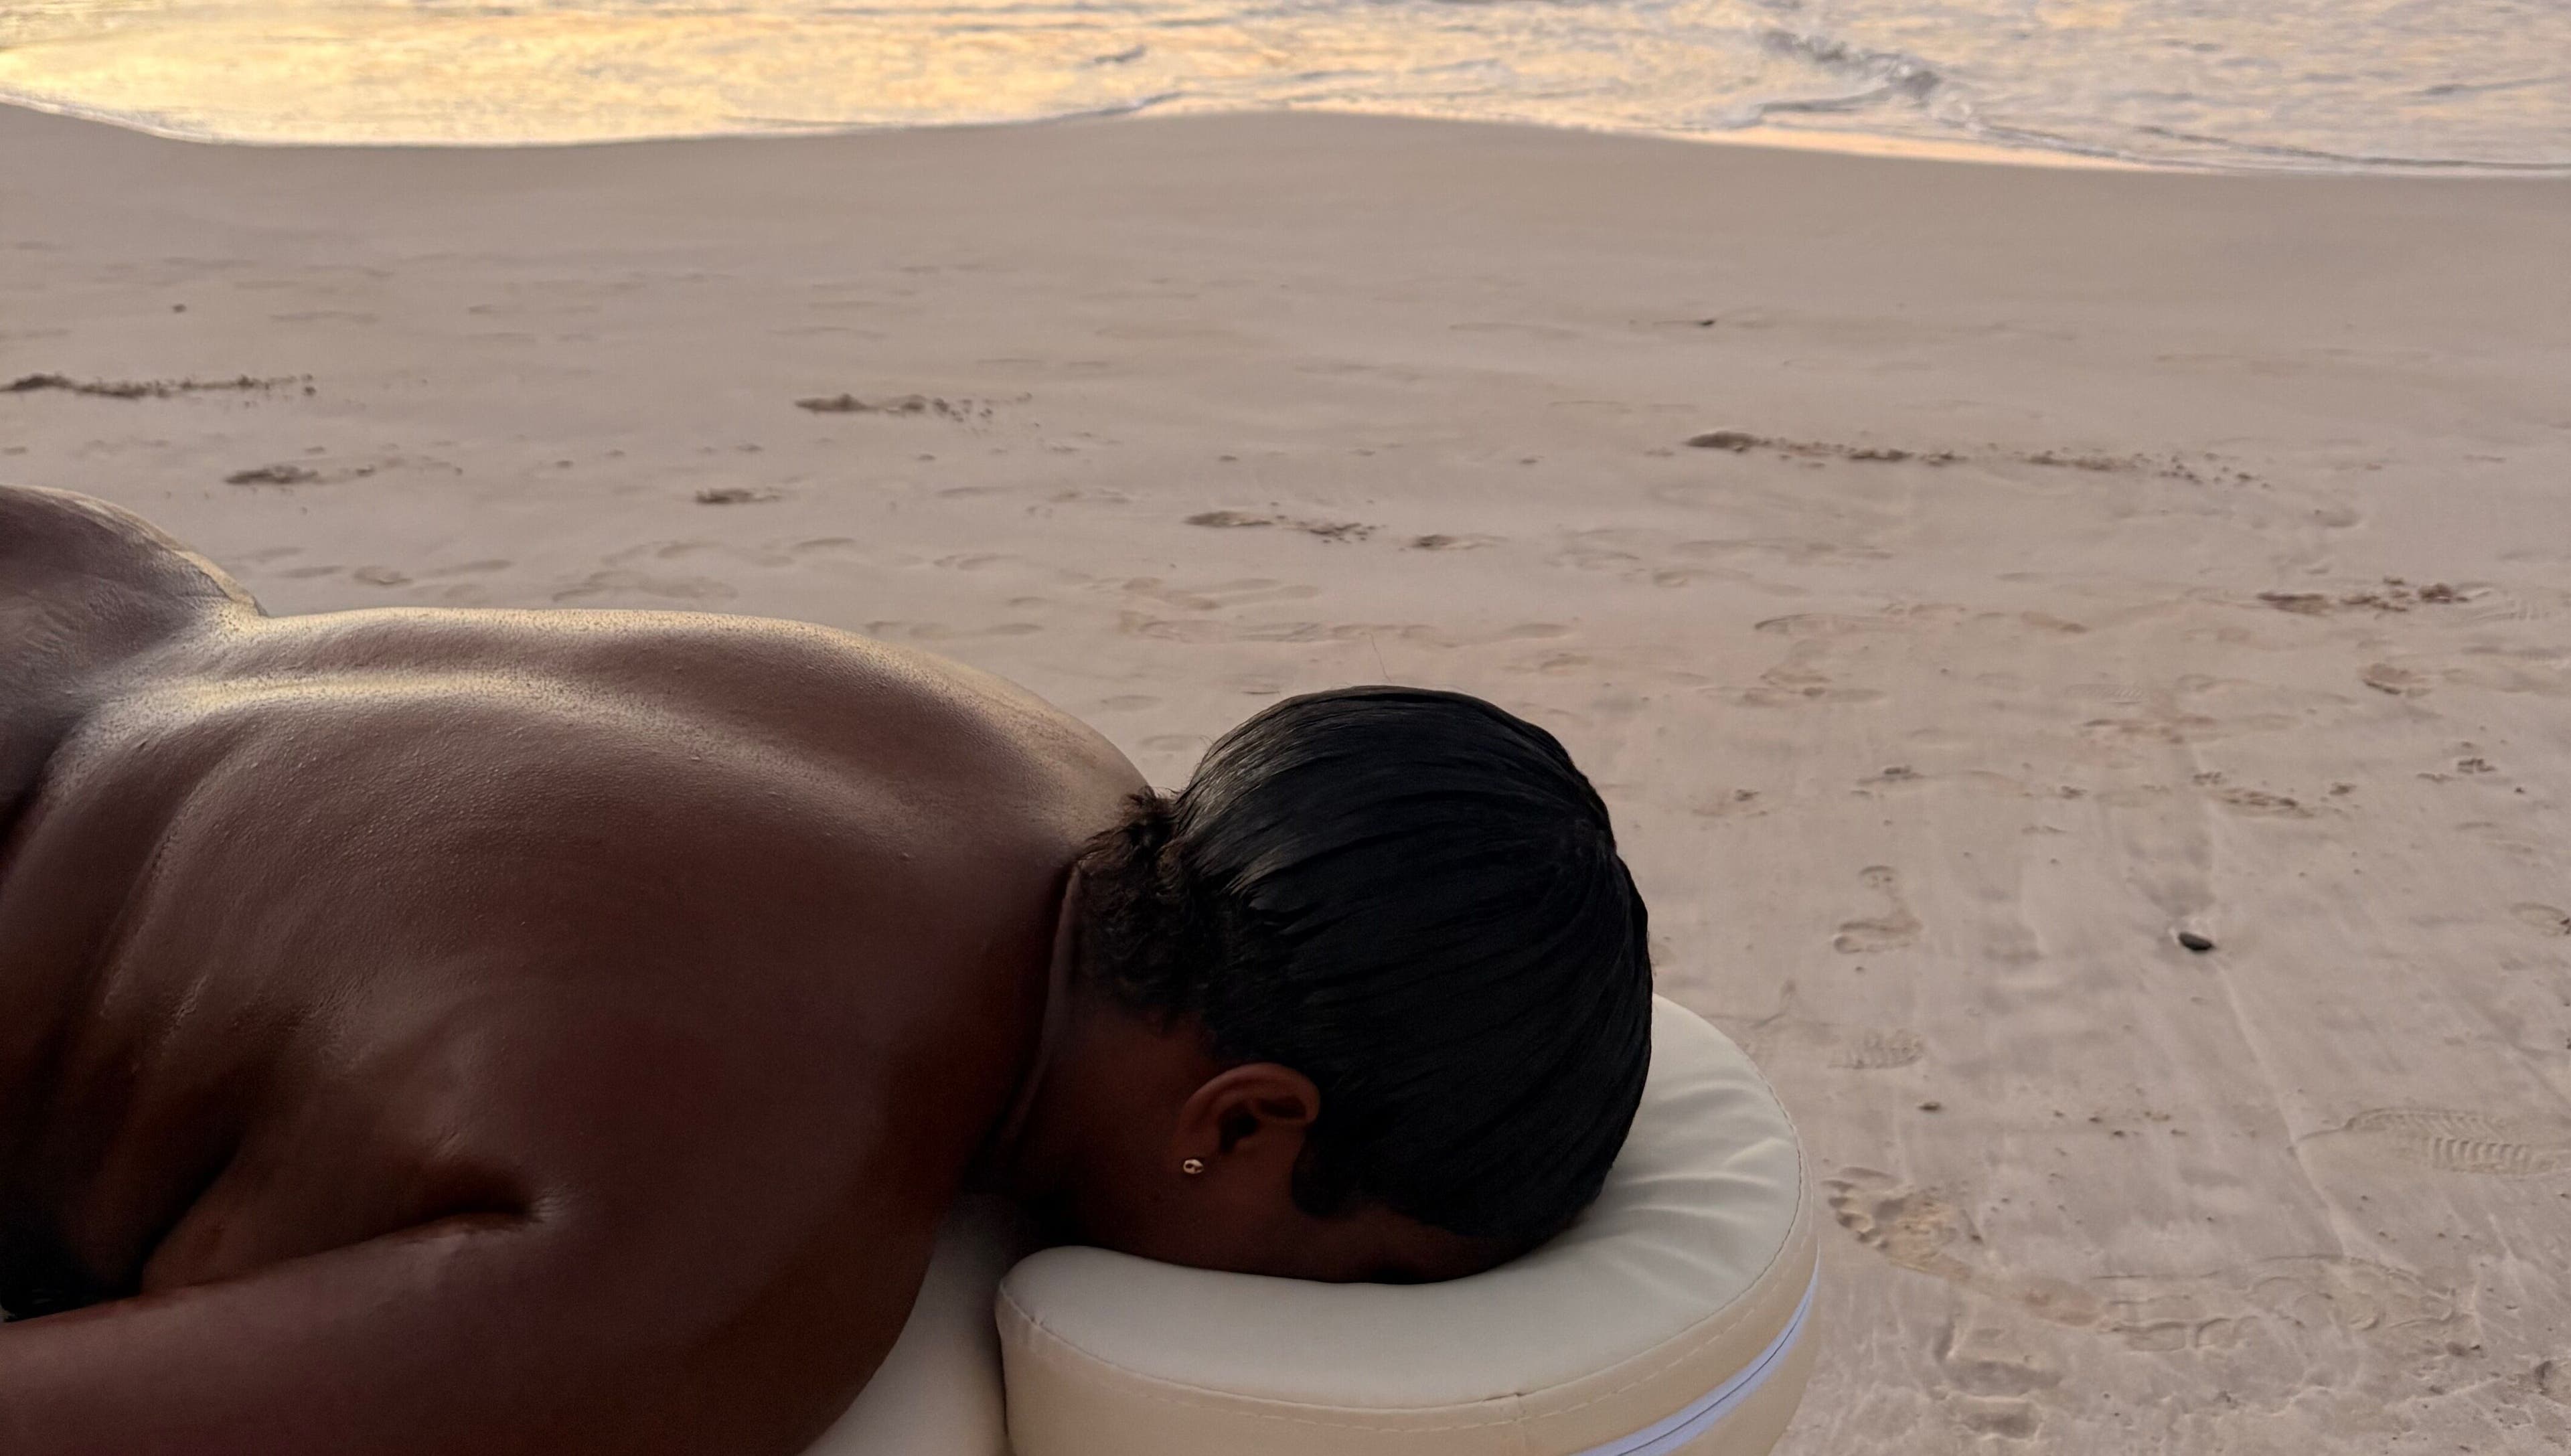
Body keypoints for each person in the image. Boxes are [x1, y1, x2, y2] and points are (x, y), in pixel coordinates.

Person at [0, 483, 1654, 1455]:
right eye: (1366, 1280)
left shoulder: (1032, 755)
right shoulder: (741, 1245)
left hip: (75, 585)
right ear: (1237, 1124)